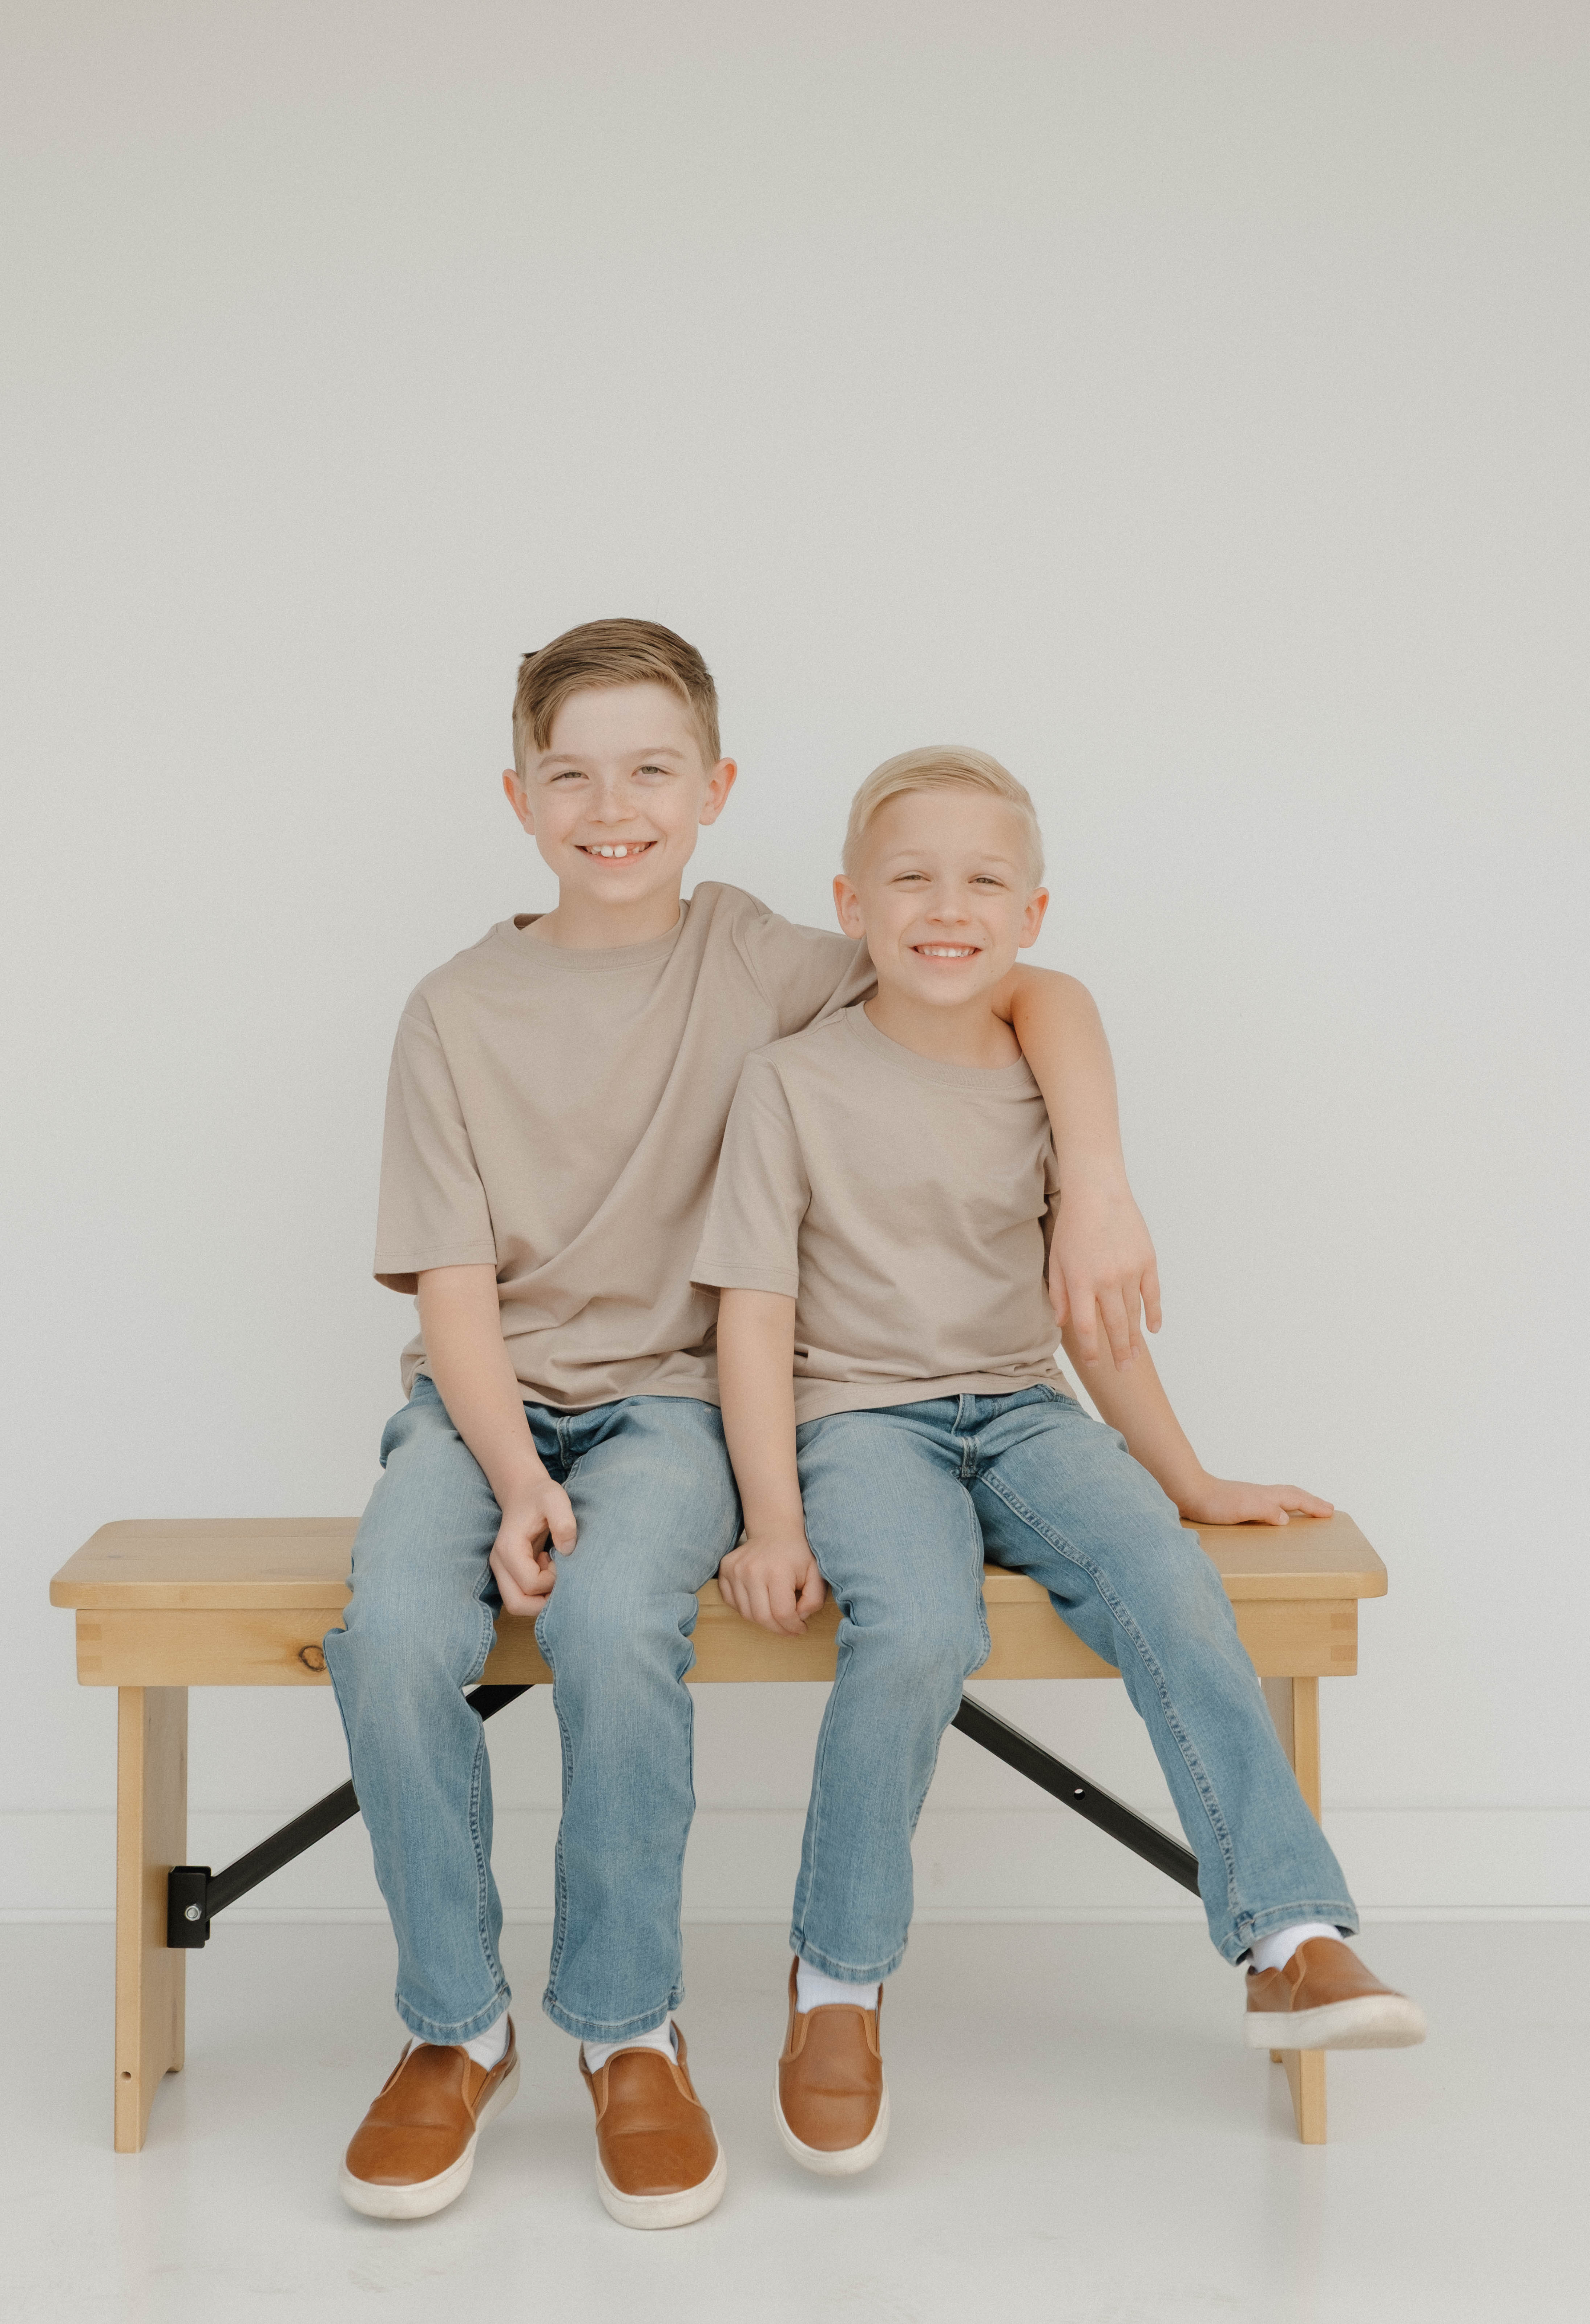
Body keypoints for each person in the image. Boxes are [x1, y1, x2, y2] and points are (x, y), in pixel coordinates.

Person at [324, 628, 1158, 2227]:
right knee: (385, 1637)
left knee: (624, 1626)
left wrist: (1102, 1181)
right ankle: (455, 2029)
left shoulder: (768, 956)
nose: (612, 807)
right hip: (482, 1408)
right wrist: (508, 1478)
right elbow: (450, 1282)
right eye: (571, 773)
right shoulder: (452, 1009)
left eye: (652, 771)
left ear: (715, 791)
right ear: (519, 796)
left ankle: (629, 2030)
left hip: (677, 1408)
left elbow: (1026, 980)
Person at [694, 745, 1426, 2177]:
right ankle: (836, 1981)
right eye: (910, 877)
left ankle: (1291, 1938)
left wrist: (1193, 1482)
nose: (945, 906)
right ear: (852, 901)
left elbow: (1098, 1322)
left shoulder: (1045, 1074)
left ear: (1035, 914)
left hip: (1022, 1411)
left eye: (984, 881)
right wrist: (772, 1517)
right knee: (915, 1628)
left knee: (1160, 1569)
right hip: (859, 1421)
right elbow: (753, 1318)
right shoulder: (789, 1085)